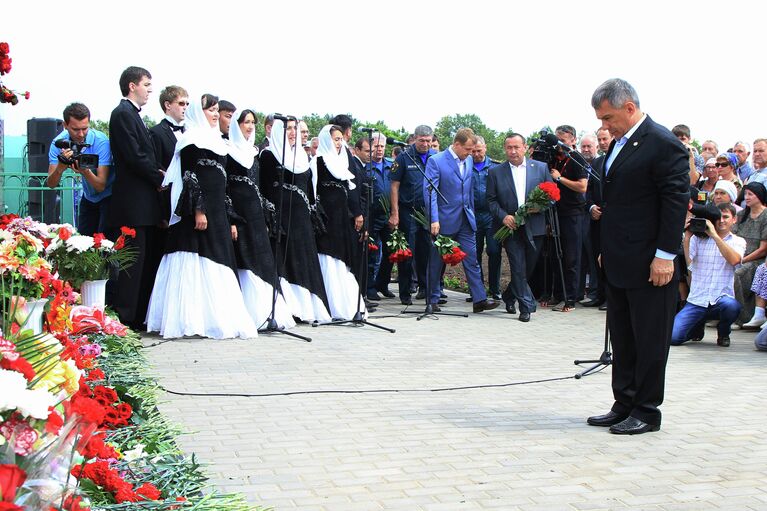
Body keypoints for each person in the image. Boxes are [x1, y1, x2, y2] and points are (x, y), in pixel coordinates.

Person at [586, 78, 689, 435]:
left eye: (608, 117)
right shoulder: (617, 145)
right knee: (624, 337)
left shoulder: (663, 144)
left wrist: (665, 256)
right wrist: (605, 250)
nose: (604, 126)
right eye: (600, 119)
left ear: (630, 108)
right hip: (619, 259)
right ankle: (624, 402)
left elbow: (675, 204)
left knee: (649, 340)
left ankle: (646, 410)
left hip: (651, 263)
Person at [146, 93, 258, 339]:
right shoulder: (190, 140)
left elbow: (224, 183)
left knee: (218, 259)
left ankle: (215, 318)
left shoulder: (219, 141)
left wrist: (230, 218)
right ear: (199, 112)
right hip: (196, 211)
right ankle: (190, 320)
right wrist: (199, 209)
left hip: (218, 211)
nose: (216, 114)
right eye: (211, 110)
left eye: (218, 110)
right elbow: (190, 176)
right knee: (194, 258)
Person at [107, 66, 166, 330]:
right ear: (132, 86)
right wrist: (158, 177)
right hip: (132, 204)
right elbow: (134, 156)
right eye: (146, 85)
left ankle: (138, 314)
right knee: (132, 263)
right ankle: (126, 318)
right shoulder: (122, 114)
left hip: (143, 204)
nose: (150, 90)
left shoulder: (132, 115)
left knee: (144, 260)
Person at [226, 109, 295, 331]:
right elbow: (225, 187)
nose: (249, 126)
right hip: (238, 213)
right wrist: (231, 220)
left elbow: (259, 186)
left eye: (252, 122)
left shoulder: (254, 152)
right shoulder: (227, 149)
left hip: (255, 213)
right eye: (245, 122)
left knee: (262, 261)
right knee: (244, 260)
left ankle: (267, 312)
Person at [259, 118, 331, 323]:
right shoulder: (268, 155)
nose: (292, 132)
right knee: (284, 259)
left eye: (294, 128)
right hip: (281, 217)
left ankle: (306, 307)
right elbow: (264, 189)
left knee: (303, 260)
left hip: (302, 219)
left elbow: (309, 190)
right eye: (287, 128)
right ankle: (287, 308)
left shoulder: (301, 156)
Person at [424, 128, 498, 314]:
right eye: (467, 149)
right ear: (456, 144)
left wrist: (471, 211)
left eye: (472, 150)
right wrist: (434, 219)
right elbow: (430, 192)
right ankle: (432, 299)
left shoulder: (469, 159)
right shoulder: (436, 161)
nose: (471, 153)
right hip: (444, 220)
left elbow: (468, 190)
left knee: (472, 260)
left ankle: (479, 299)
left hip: (466, 220)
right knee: (437, 261)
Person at [487, 133, 553, 322]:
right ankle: (526, 307)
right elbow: (490, 201)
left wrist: (539, 206)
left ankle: (509, 296)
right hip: (510, 228)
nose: (513, 151)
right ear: (505, 148)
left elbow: (551, 198)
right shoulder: (495, 172)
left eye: (517, 147)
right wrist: (503, 216)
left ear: (525, 148)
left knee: (528, 269)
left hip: (535, 226)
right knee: (517, 266)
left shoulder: (540, 168)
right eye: (509, 147)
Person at [312, 125, 367, 319]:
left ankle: (346, 305)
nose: (339, 143)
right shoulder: (317, 161)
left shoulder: (344, 162)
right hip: (326, 220)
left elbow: (353, 190)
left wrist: (357, 214)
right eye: (335, 139)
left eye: (340, 139)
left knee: (343, 261)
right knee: (328, 257)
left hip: (343, 218)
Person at [671, 203, 745, 347]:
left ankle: (723, 332)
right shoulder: (698, 239)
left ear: (734, 219)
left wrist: (714, 235)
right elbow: (689, 265)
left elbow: (735, 260)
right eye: (718, 217)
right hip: (697, 300)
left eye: (726, 217)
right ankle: (696, 328)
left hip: (720, 299)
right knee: (673, 338)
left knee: (732, 306)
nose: (721, 220)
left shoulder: (737, 241)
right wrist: (687, 237)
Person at [46, 102, 113, 236]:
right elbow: (51, 184)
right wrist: (60, 167)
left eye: (85, 128)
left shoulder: (101, 141)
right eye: (76, 129)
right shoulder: (58, 143)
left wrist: (84, 170)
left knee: (105, 245)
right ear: (65, 126)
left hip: (109, 197)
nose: (81, 134)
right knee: (83, 243)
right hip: (88, 197)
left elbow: (101, 186)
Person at [389, 125, 437, 305]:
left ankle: (426, 290)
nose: (425, 144)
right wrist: (395, 213)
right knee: (407, 254)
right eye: (421, 140)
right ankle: (405, 292)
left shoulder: (435, 157)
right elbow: (394, 185)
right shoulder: (404, 157)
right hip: (408, 211)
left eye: (428, 141)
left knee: (427, 253)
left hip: (427, 213)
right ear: (415, 139)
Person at [546, 125, 588, 312]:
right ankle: (557, 294)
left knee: (571, 257)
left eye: (563, 141)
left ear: (573, 140)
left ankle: (570, 298)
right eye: (557, 140)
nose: (559, 145)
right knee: (556, 255)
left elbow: (582, 187)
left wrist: (559, 178)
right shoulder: (554, 158)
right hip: (555, 212)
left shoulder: (576, 158)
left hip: (573, 214)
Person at [150, 85, 188, 232]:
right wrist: (160, 215)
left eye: (187, 104)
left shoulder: (190, 132)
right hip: (168, 205)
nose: (185, 107)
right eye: (181, 103)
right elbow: (157, 170)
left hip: (188, 204)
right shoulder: (156, 133)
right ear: (167, 105)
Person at [470, 135, 502, 301]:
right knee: (473, 255)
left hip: (491, 216)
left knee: (494, 251)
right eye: (473, 151)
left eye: (479, 151)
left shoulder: (496, 167)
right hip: (472, 215)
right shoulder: (466, 166)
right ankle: (477, 291)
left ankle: (495, 289)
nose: (476, 154)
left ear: (485, 148)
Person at [731, 182, 767, 325]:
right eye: (746, 194)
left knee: (737, 274)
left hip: (756, 258)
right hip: (738, 255)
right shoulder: (741, 215)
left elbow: (763, 248)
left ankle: (741, 316)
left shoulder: (765, 215)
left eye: (751, 194)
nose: (747, 197)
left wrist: (742, 259)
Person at [365, 133, 395, 300]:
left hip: (388, 215)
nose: (379, 150)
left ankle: (382, 283)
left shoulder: (391, 166)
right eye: (376, 147)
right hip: (372, 216)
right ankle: (369, 287)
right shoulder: (366, 166)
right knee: (372, 253)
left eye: (382, 147)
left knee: (391, 252)